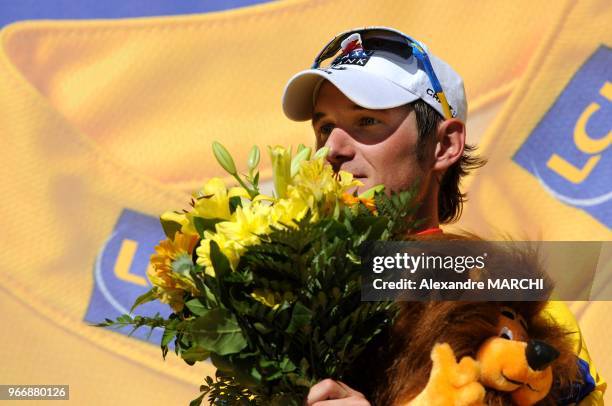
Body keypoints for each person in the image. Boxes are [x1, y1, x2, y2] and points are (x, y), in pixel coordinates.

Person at [281, 27, 604, 405]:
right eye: (324, 127)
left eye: (367, 120)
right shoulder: (278, 297)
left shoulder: (514, 301)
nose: (331, 149)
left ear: (445, 145)